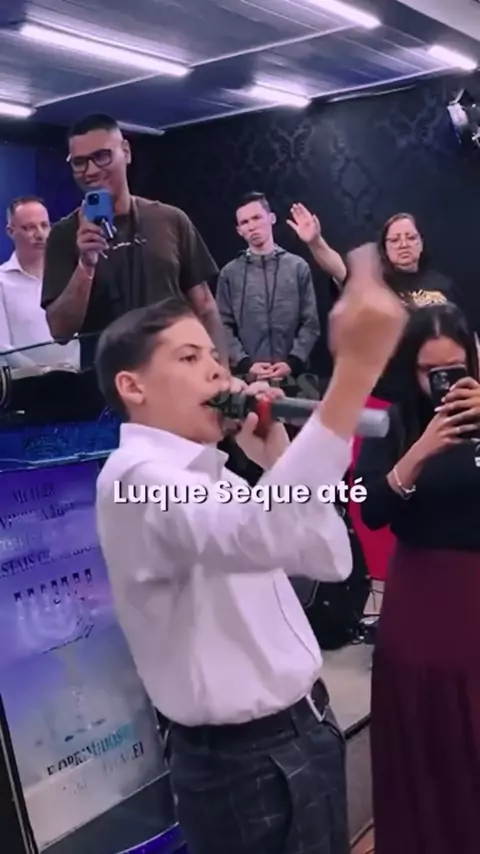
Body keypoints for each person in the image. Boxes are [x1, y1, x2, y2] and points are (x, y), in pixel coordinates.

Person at [94, 244, 407, 854]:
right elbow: (260, 533)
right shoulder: (134, 478)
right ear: (133, 385)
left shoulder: (217, 476)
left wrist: (279, 458)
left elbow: (329, 559)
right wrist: (353, 376)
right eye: (190, 358)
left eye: (215, 357)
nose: (218, 372)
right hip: (241, 762)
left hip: (306, 725)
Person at [354, 302, 480, 854]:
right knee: (431, 734)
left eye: (455, 369)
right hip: (422, 598)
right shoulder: (393, 421)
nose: (444, 384)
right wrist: (422, 450)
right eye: (431, 372)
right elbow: (371, 509)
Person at [41, 113, 227, 368]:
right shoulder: (63, 235)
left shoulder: (170, 219)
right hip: (105, 382)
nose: (91, 170)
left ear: (126, 152)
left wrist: (222, 373)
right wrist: (86, 264)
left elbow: (204, 306)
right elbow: (60, 331)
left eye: (102, 156)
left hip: (175, 374)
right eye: (79, 162)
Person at [216, 192, 320, 383]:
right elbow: (222, 325)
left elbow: (310, 322)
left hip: (297, 377)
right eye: (245, 222)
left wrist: (292, 362)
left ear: (271, 218)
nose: (252, 226)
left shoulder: (297, 267)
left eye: (256, 218)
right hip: (248, 379)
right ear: (239, 230)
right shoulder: (229, 274)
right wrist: (245, 364)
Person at [0, 196, 79, 369]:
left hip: (75, 375)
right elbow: (2, 346)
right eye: (29, 227)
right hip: (24, 381)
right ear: (11, 231)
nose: (40, 234)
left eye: (44, 225)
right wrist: (42, 373)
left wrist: (71, 367)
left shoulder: (69, 275)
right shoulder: (2, 281)